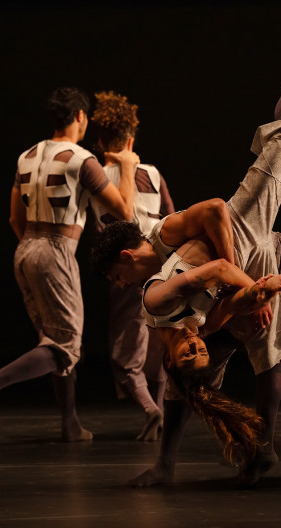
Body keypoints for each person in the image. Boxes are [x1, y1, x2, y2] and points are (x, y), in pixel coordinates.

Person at [89, 17, 281, 488]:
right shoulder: (179, 320)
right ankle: (195, 459)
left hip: (252, 239)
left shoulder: (161, 242)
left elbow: (219, 212)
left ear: (125, 260)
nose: (121, 288)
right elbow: (217, 318)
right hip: (243, 281)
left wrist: (243, 280)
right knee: (200, 377)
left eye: (117, 279)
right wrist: (248, 296)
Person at [0, 87, 139, 441]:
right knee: (66, 346)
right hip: (55, 250)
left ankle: (70, 423)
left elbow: (15, 219)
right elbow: (123, 211)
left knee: (53, 340)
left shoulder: (26, 155)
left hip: (25, 250)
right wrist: (128, 166)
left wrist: (35, 252)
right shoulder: (80, 159)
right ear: (79, 117)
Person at [88, 91, 175, 441]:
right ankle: (161, 413)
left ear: (100, 141)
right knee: (159, 340)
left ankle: (151, 411)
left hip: (125, 267)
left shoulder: (95, 175)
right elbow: (171, 215)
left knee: (126, 351)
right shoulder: (152, 173)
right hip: (158, 262)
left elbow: (109, 215)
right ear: (131, 139)